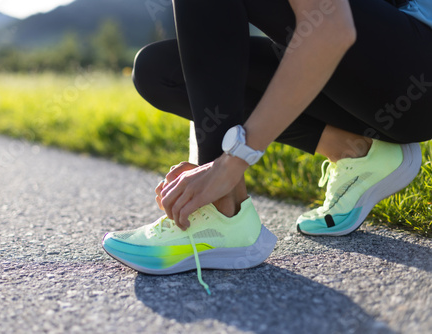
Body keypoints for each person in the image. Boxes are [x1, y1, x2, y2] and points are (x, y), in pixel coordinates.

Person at [102, 0, 432, 293]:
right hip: (371, 82)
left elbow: (332, 29)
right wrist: (205, 166)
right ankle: (356, 150)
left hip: (418, 74)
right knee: (159, 72)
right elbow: (213, 61)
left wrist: (229, 165)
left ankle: (222, 213)